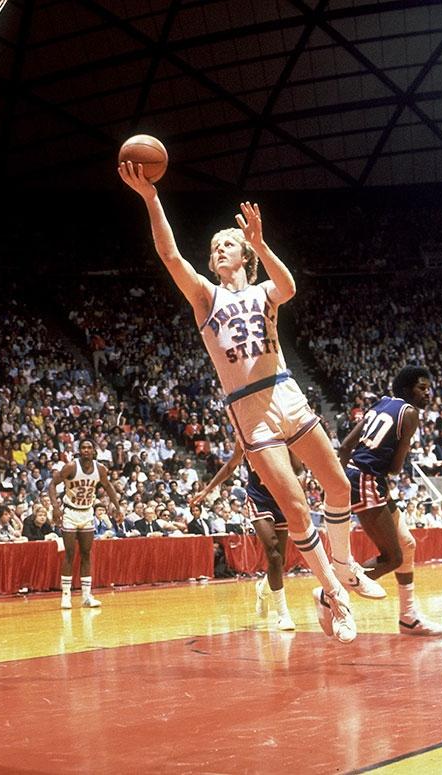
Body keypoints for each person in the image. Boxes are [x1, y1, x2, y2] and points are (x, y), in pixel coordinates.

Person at [120, 163, 382, 642]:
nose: (219, 249)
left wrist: (261, 242)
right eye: (214, 247)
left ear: (244, 254)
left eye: (227, 244)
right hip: (249, 409)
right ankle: (335, 597)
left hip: (286, 391)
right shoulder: (206, 298)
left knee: (339, 486)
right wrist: (151, 198)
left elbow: (289, 288)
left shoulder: (264, 291)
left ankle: (344, 567)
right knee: (297, 510)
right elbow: (170, 254)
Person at [338, 366, 442, 636]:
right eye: (422, 388)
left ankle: (408, 618)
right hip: (367, 478)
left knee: (407, 544)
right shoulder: (410, 413)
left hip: (358, 475)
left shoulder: (382, 403)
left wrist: (340, 482)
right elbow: (397, 468)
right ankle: (331, 593)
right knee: (393, 557)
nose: (428, 393)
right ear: (408, 389)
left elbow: (345, 446)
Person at [192, 442, 297, 631]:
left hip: (282, 498)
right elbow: (230, 465)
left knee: (280, 561)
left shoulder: (283, 433)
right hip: (259, 499)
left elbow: (298, 469)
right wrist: (207, 490)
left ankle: (262, 589)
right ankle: (283, 614)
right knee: (273, 553)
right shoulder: (245, 436)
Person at [48, 438, 120, 610]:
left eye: (89, 447)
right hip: (70, 512)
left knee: (86, 554)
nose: (86, 450)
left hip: (87, 512)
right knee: (69, 554)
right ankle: (66, 596)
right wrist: (55, 507)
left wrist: (117, 507)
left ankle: (87, 596)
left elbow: (108, 487)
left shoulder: (100, 469)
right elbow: (52, 485)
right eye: (83, 447)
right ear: (79, 450)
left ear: (94, 451)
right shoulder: (71, 467)